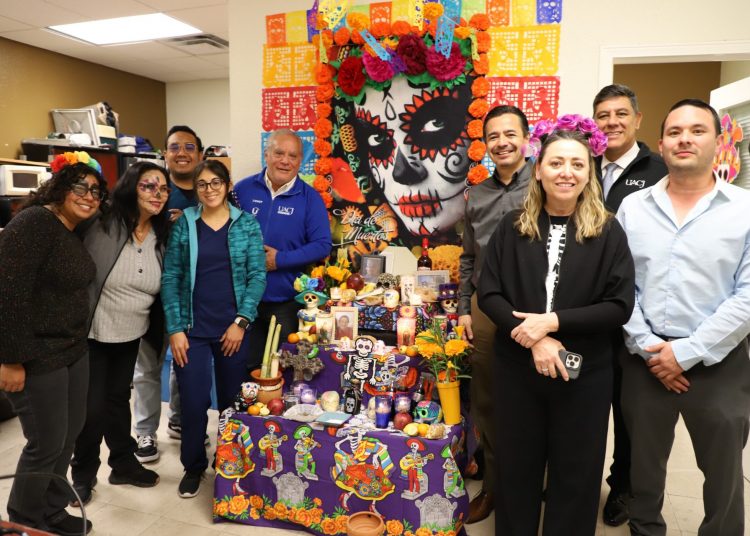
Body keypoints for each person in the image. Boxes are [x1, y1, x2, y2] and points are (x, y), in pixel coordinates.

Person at [478, 121, 635, 535]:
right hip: (517, 368)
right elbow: (489, 293)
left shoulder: (608, 231)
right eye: (557, 162)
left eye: (577, 164)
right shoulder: (512, 227)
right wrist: (536, 341)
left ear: (589, 173)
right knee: (516, 470)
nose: (567, 172)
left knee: (576, 474)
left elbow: (619, 305)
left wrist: (551, 323)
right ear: (539, 170)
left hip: (585, 373)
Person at [617, 99, 750, 536]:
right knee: (642, 472)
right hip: (645, 359)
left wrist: (688, 352)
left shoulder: (744, 208)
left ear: (719, 142)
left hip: (720, 362)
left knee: (724, 476)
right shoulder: (633, 208)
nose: (684, 139)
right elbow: (619, 286)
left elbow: (747, 296)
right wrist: (650, 347)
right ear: (660, 144)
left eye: (697, 130)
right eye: (674, 132)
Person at [0, 151, 107, 535]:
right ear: (60, 187)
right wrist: (11, 359)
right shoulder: (34, 223)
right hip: (36, 355)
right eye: (81, 187)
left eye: (96, 191)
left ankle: (52, 510)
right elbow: (7, 292)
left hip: (72, 351)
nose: (89, 196)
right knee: (45, 442)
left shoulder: (69, 229)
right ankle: (23, 522)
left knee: (68, 435)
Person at [161, 159, 266, 498]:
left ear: (227, 185)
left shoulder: (245, 224)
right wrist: (175, 328)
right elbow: (171, 277)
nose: (209, 189)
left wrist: (241, 321)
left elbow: (257, 276)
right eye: (202, 184)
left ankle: (228, 459)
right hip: (192, 330)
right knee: (193, 403)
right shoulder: (185, 223)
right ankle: (193, 467)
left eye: (215, 182)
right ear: (196, 189)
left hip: (232, 330)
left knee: (231, 402)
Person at [69, 162, 170, 506]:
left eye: (163, 188)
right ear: (130, 188)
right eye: (148, 186)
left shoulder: (162, 234)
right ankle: (82, 475)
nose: (158, 193)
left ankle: (123, 464)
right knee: (92, 409)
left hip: (132, 333)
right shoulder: (102, 223)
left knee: (117, 402)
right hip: (94, 333)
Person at [592, 84, 668, 527]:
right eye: (603, 115)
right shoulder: (582, 165)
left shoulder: (658, 170)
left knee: (629, 412)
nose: (612, 122)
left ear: (638, 119)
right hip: (586, 312)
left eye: (621, 113)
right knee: (583, 403)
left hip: (635, 311)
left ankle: (623, 486)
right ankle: (578, 477)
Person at [457, 104, 533, 524]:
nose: (501, 143)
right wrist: (464, 310)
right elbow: (468, 257)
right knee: (487, 399)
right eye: (493, 137)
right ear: (484, 144)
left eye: (509, 134)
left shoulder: (545, 182)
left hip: (537, 308)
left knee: (536, 397)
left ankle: (533, 482)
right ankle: (493, 486)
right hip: (486, 307)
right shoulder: (477, 194)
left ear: (526, 139)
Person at [132, 125, 203, 463]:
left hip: (193, 296)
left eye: (189, 147)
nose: (182, 153)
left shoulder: (209, 191)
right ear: (165, 154)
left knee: (183, 362)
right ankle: (145, 432)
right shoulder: (153, 191)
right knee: (147, 367)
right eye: (175, 147)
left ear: (200, 154)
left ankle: (179, 418)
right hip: (151, 295)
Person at [234, 129, 332, 369]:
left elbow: (322, 245)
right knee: (241, 369)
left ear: (300, 161)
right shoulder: (242, 190)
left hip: (285, 304)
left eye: (293, 156)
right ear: (266, 154)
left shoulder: (310, 198)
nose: (285, 161)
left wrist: (279, 260)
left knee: (281, 371)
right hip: (241, 300)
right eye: (279, 153)